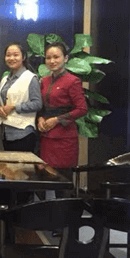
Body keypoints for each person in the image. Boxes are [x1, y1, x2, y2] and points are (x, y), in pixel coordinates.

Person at [37, 42, 88, 173]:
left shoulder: (73, 81)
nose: (52, 61)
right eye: (48, 58)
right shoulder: (44, 80)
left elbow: (82, 109)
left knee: (62, 178)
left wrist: (57, 120)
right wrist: (40, 118)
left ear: (65, 58)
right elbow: (41, 106)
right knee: (45, 177)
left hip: (64, 138)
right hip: (46, 136)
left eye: (56, 57)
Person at [0, 42, 42, 152]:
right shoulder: (5, 79)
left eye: (16, 55)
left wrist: (14, 106)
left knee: (22, 163)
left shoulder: (31, 78)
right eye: (8, 55)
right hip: (6, 132)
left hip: (23, 133)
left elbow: (37, 104)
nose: (11, 58)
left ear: (23, 57)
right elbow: (2, 100)